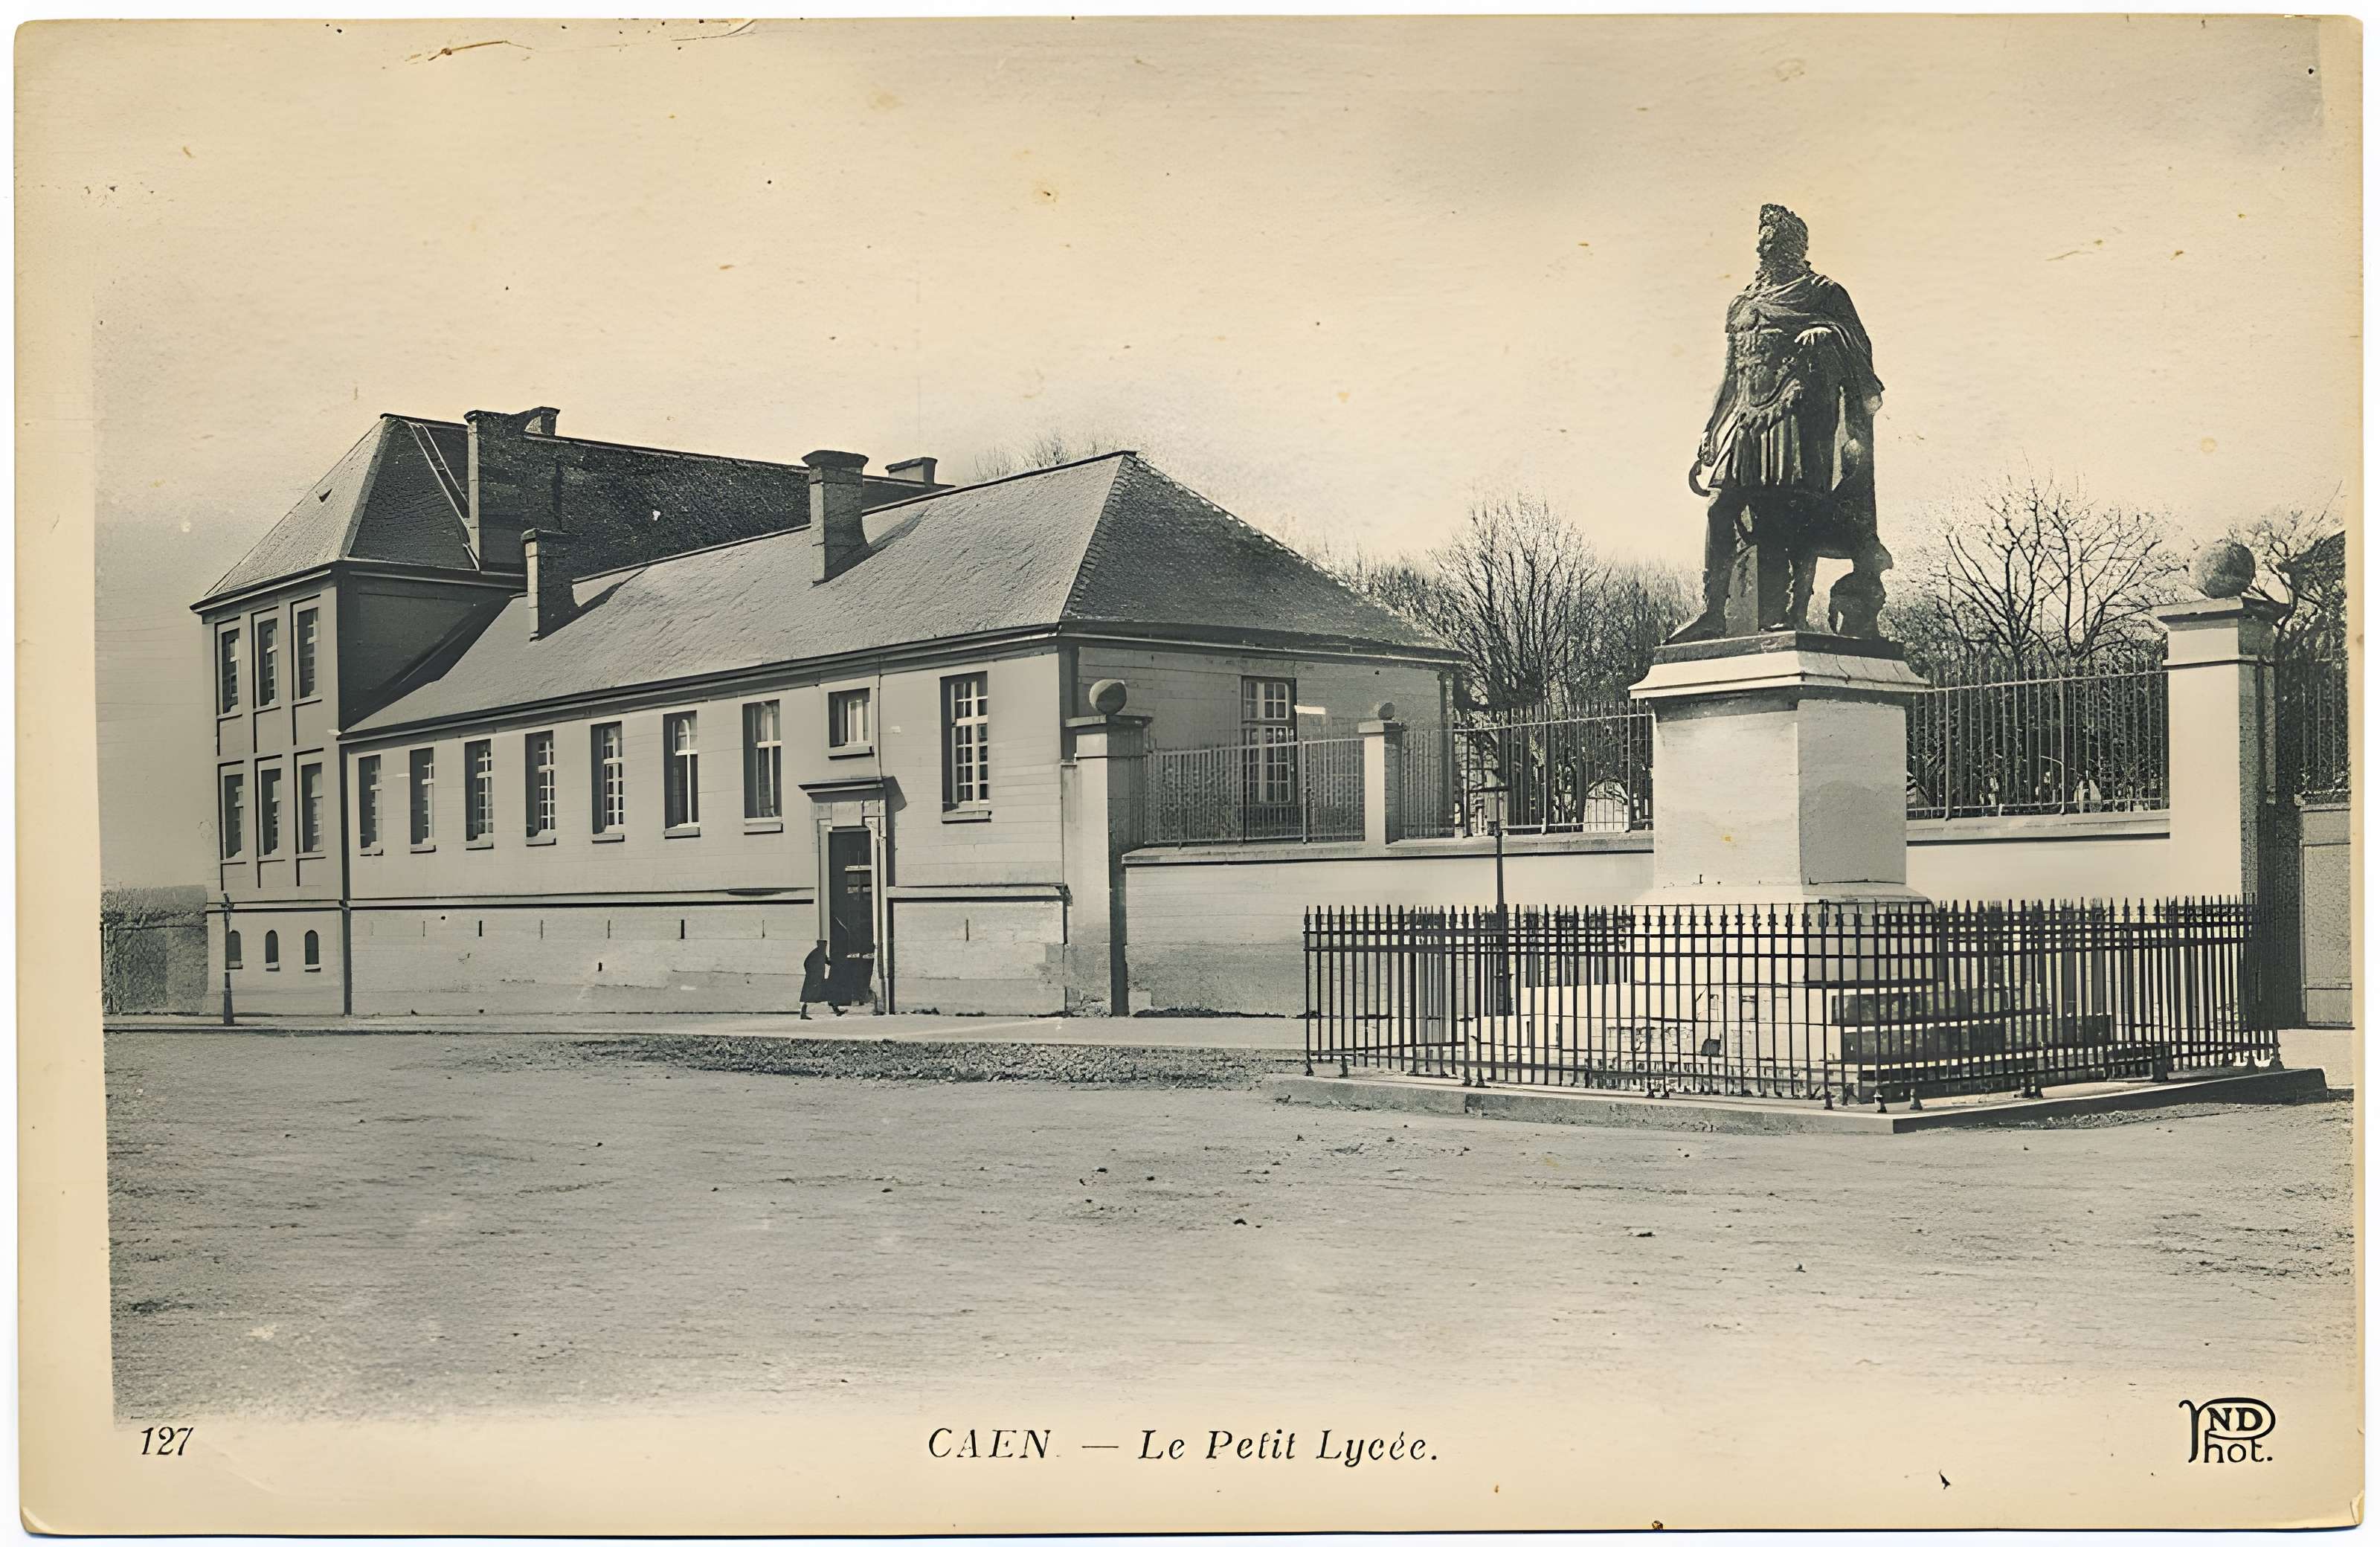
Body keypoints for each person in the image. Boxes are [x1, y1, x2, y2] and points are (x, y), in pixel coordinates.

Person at [1673, 203, 1891, 641]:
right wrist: (1710, 427)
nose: (1764, 246)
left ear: (1795, 246)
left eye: (1774, 240)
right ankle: (1713, 612)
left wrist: (1830, 333)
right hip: (1747, 418)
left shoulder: (1824, 293)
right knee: (1720, 507)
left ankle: (1779, 614)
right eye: (1762, 240)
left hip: (1794, 416)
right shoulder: (1742, 304)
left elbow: (1859, 346)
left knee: (1777, 516)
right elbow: (1731, 373)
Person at [800, 939, 840, 1019]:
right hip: (813, 979)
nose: (824, 947)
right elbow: (806, 963)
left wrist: (837, 962)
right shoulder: (815, 953)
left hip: (820, 978)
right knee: (808, 995)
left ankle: (836, 1010)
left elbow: (828, 961)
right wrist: (811, 973)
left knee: (827, 992)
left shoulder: (821, 954)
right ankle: (803, 1014)